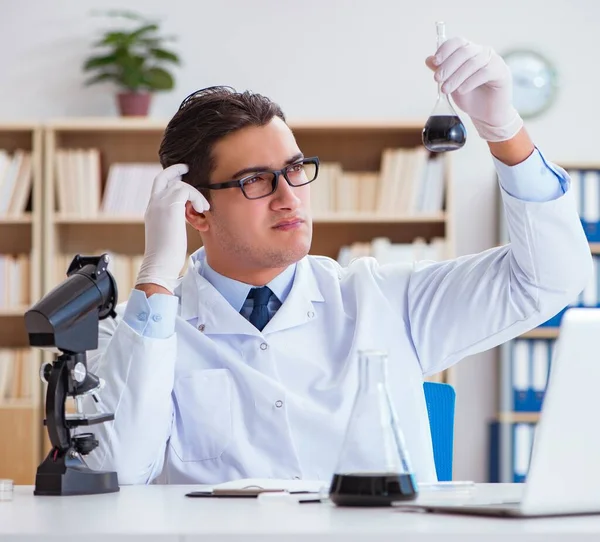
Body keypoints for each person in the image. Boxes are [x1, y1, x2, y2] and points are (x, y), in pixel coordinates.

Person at [82, 37, 592, 485]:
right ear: (196, 210)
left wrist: (505, 131)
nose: (289, 197)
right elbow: (120, 470)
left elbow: (550, 279)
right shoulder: (135, 333)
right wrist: (156, 278)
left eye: (295, 169)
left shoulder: (388, 300)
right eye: (255, 180)